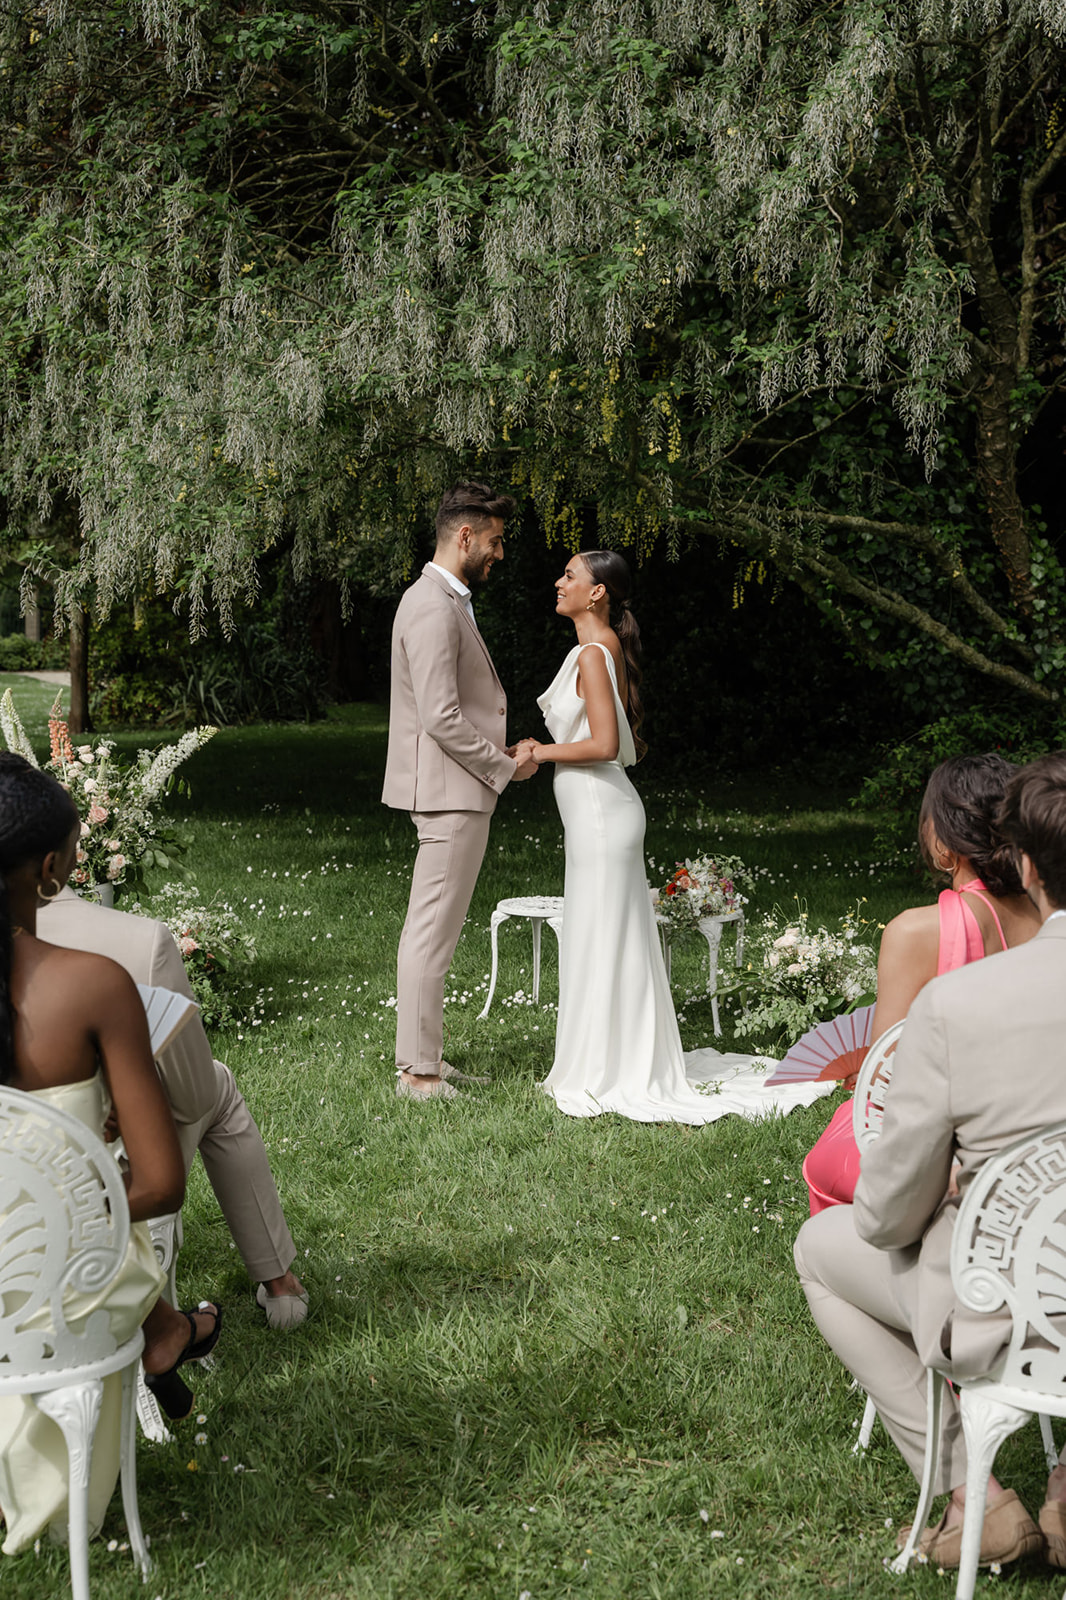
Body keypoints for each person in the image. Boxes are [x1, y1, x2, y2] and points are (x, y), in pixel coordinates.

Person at [794, 750, 1066, 1571]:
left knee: (822, 1249)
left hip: (1007, 1305)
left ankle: (973, 1496)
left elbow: (884, 1215)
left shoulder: (957, 1006)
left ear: (1022, 862)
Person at [0, 756, 220, 1556]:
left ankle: (167, 1332)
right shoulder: (92, 986)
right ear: (51, 870)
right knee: (98, 1246)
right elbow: (161, 1183)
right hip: (55, 1291)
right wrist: (80, 1185)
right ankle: (167, 1331)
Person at [38, 887, 309, 1329]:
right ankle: (277, 1283)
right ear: (61, 859)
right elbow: (192, 1094)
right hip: (101, 1169)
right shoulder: (139, 943)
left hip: (21, 1171)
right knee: (215, 1089)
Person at [518, 550, 723, 1123]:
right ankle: (610, 1058)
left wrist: (539, 750)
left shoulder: (592, 651)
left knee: (602, 935)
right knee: (601, 934)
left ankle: (607, 1067)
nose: (558, 583)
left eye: (569, 577)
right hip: (599, 812)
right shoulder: (601, 647)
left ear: (597, 592)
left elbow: (604, 745)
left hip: (601, 811)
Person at [803, 753, 1041, 1213]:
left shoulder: (914, 931)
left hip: (950, 1151)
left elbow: (883, 1077)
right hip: (1039, 1138)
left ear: (942, 839)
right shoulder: (1053, 918)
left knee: (825, 1159)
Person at [382, 481, 538, 1101]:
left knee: (436, 932)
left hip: (455, 788)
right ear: (465, 536)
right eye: (495, 541)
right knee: (431, 933)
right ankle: (419, 1075)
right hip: (451, 792)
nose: (500, 554)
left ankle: (428, 1059)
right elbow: (442, 718)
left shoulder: (447, 600)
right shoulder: (430, 605)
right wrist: (503, 767)